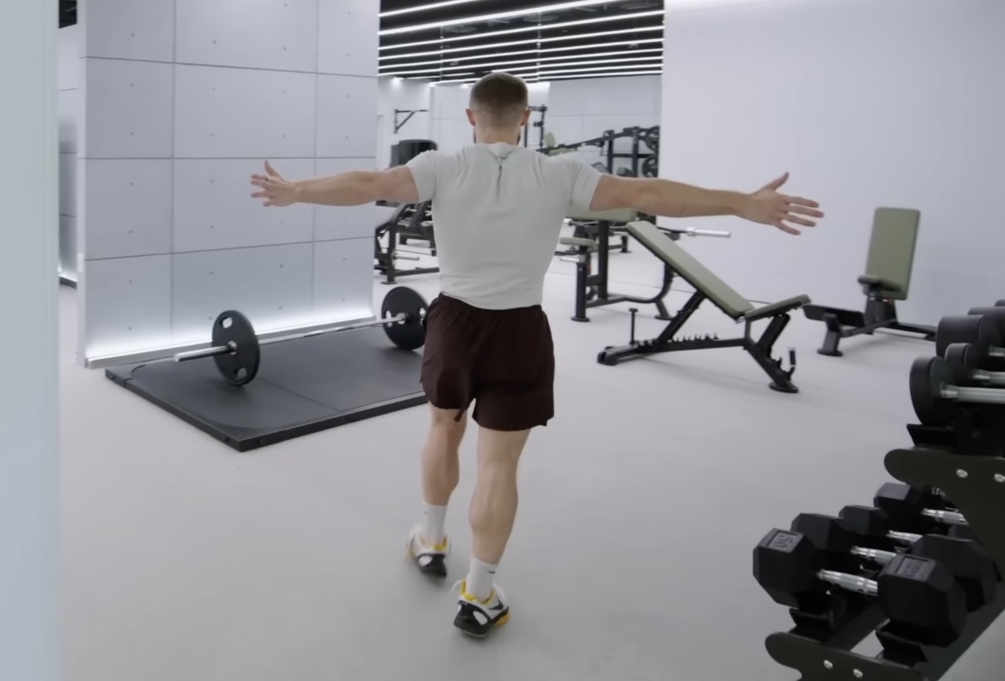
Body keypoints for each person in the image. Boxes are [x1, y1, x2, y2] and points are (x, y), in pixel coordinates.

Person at [248, 72, 821, 637]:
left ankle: (430, 538)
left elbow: (367, 181)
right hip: (519, 329)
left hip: (453, 323)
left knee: (443, 430)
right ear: (525, 118)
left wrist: (298, 190)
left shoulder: (441, 166)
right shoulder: (561, 173)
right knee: (498, 465)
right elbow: (648, 193)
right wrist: (742, 203)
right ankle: (478, 593)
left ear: (471, 116)